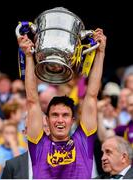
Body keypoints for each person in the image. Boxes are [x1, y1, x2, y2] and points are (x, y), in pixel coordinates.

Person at [17, 27, 106, 179]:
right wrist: (29, 57)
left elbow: (91, 96)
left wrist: (100, 53)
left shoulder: (83, 142)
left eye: (65, 115)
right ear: (46, 119)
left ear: (72, 120)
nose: (60, 120)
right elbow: (32, 101)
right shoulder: (39, 144)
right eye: (55, 115)